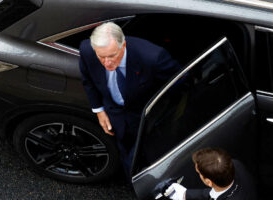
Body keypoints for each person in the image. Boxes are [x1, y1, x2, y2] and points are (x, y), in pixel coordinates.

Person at [79, 22, 180, 180]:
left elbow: (180, 83)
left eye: (112, 56)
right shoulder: (87, 50)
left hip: (147, 119)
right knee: (128, 159)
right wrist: (99, 111)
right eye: (101, 57)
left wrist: (162, 112)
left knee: (154, 158)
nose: (107, 63)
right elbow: (88, 81)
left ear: (123, 45)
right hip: (116, 116)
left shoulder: (153, 57)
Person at [165, 148, 257, 200]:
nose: (198, 174)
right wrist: (185, 194)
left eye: (199, 173)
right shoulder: (236, 165)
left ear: (209, 182)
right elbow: (211, 193)